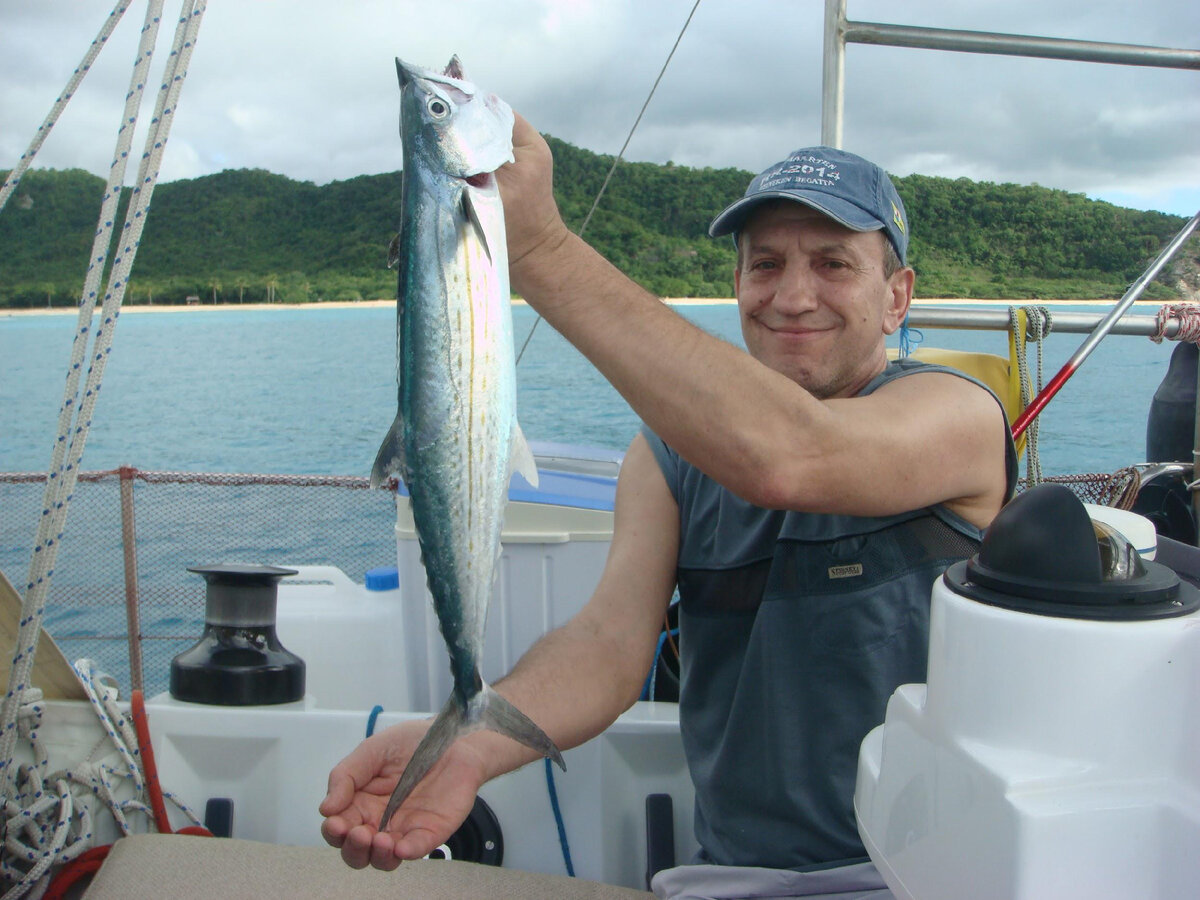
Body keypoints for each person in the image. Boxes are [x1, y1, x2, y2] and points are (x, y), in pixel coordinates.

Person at [320, 115, 1016, 897]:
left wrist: (542, 248)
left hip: (918, 876)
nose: (792, 295)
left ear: (897, 298)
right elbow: (609, 643)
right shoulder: (667, 456)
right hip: (730, 877)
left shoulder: (957, 417)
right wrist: (470, 745)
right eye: (766, 265)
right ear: (737, 286)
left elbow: (792, 456)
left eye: (832, 264)